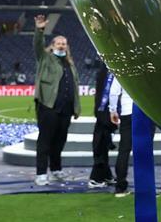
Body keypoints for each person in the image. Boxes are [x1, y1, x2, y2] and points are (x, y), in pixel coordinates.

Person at [33, 14, 81, 186]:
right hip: (48, 106)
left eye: (64, 43)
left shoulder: (70, 64)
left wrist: (76, 108)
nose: (61, 45)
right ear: (52, 46)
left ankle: (55, 169)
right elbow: (38, 46)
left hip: (65, 108)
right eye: (58, 43)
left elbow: (75, 86)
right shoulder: (45, 59)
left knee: (60, 141)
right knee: (45, 141)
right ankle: (41, 173)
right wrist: (40, 31)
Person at [88, 60, 118, 189]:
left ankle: (105, 175)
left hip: (104, 111)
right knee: (100, 144)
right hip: (104, 112)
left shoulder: (105, 70)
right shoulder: (107, 70)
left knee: (102, 143)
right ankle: (96, 177)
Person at [109, 75, 134, 198]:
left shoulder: (122, 66)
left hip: (127, 112)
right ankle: (147, 187)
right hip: (145, 112)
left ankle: (120, 187)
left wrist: (113, 110)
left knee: (124, 150)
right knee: (145, 149)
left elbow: (113, 92)